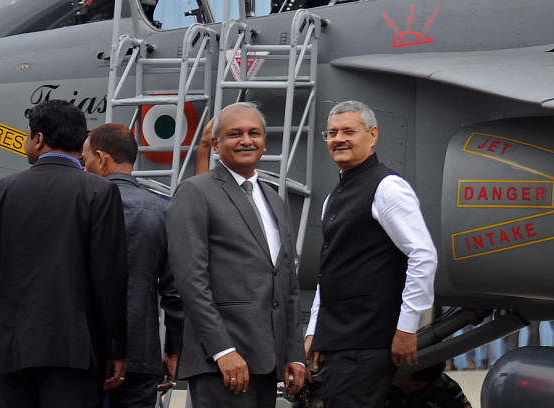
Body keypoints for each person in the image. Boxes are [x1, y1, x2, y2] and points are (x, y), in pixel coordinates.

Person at [0, 99, 128, 408]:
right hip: (76, 354)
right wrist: (115, 348)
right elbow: (109, 279)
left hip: (11, 351)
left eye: (28, 135)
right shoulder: (100, 192)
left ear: (39, 139)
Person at [166, 102, 306, 408]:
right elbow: (191, 281)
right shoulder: (195, 192)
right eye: (235, 134)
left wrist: (294, 352)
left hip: (267, 363)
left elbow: (287, 283)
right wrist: (222, 350)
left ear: (264, 142)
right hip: (222, 363)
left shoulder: (274, 199)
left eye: (254, 133)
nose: (246, 140)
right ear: (216, 144)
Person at [305, 101, 438, 408]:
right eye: (333, 133)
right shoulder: (334, 195)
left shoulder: (387, 187)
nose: (339, 139)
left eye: (349, 131)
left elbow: (423, 255)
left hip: (367, 342)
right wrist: (315, 331)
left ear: (373, 135)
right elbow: (331, 270)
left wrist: (407, 327)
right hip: (341, 341)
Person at [82, 122, 183, 408]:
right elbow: (174, 293)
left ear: (101, 159)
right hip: (141, 353)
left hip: (86, 352)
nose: (84, 165)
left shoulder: (80, 207)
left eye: (86, 158)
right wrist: (174, 352)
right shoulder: (163, 211)